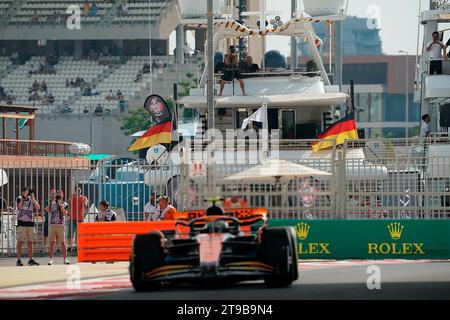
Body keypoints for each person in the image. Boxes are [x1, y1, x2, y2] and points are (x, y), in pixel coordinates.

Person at [16, 187, 41, 266]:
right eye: (24, 192)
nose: (26, 193)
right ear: (22, 192)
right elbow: (19, 207)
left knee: (30, 241)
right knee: (20, 241)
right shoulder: (19, 198)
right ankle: (18, 260)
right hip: (21, 223)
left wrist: (33, 198)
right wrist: (24, 198)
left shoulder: (31, 198)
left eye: (27, 192)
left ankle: (30, 260)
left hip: (30, 223)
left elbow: (38, 207)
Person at [46, 195, 70, 265]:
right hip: (52, 225)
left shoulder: (64, 204)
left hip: (60, 225)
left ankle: (65, 259)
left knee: (63, 242)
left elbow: (65, 213)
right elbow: (47, 210)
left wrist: (60, 205)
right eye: (57, 199)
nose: (58, 200)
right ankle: (50, 259)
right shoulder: (52, 204)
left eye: (59, 199)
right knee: (51, 242)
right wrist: (51, 203)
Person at [67, 186, 88, 251]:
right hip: (72, 217)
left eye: (79, 190)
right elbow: (69, 206)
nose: (78, 191)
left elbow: (86, 207)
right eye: (77, 190)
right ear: (74, 191)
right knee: (70, 233)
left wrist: (84, 202)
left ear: (81, 191)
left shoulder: (83, 197)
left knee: (78, 234)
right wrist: (70, 200)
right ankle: (70, 246)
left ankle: (76, 246)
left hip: (80, 218)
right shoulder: (71, 197)